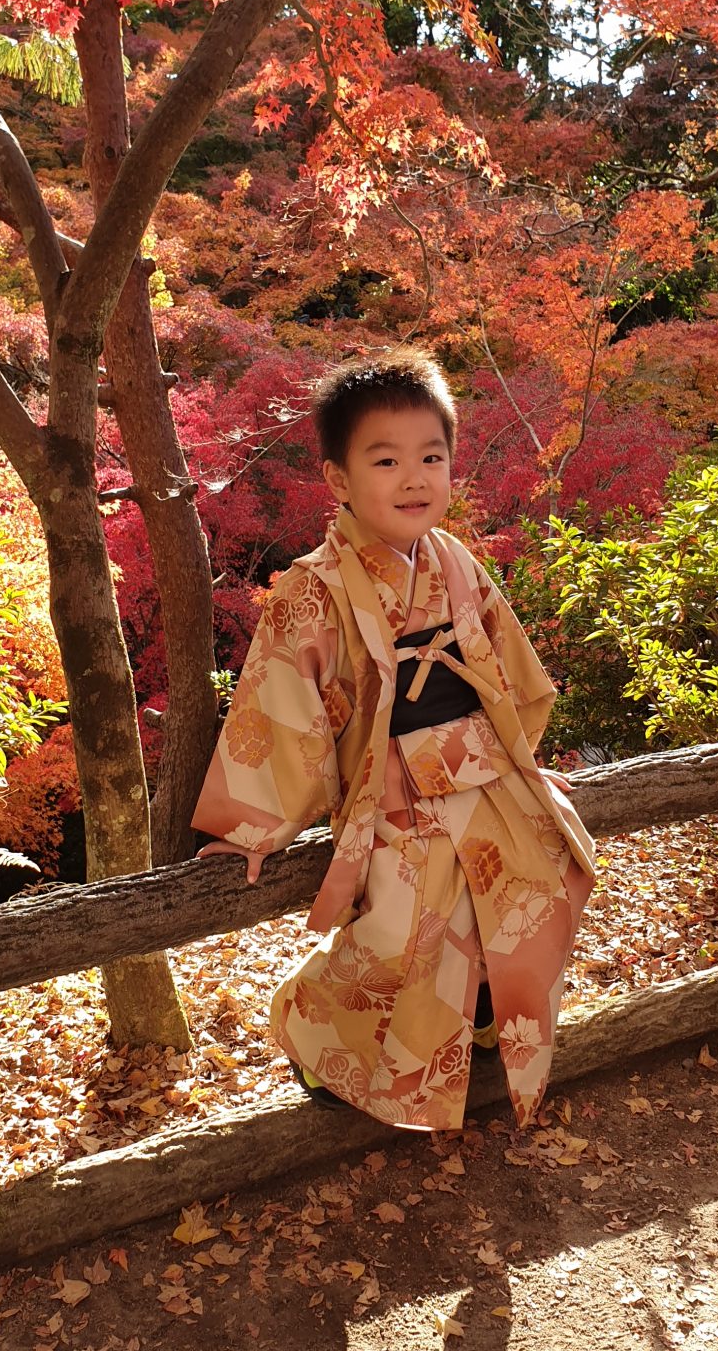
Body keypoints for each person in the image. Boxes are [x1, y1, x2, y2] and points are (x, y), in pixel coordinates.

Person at [192, 347, 596, 1131]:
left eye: (431, 458)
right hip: (393, 785)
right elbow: (282, 702)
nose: (415, 477)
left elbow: (507, 678)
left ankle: (484, 1011)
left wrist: (527, 767)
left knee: (554, 871)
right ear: (339, 480)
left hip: (483, 764)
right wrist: (254, 825)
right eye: (387, 459)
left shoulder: (456, 564)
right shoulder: (313, 588)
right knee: (409, 926)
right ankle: (314, 1035)